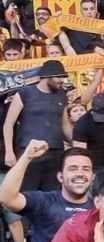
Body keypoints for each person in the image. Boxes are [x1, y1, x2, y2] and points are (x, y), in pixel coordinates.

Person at [2, 60, 68, 192]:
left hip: (56, 153)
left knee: (52, 195)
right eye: (59, 77)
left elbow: (65, 125)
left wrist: (77, 142)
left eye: (63, 77)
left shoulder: (62, 95)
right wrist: (9, 152)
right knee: (28, 194)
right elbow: (9, 123)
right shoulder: (25, 93)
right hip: (28, 152)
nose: (62, 80)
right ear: (47, 76)